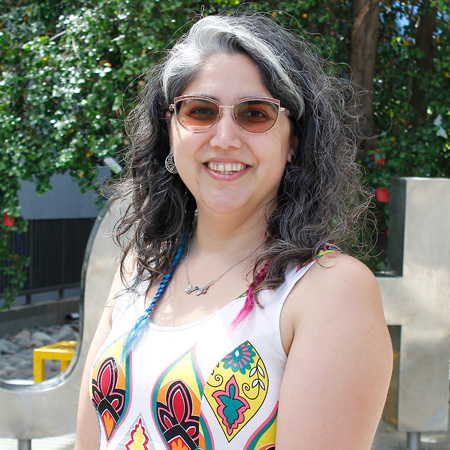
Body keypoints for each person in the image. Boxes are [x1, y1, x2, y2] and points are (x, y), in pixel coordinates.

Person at [75, 13, 393, 450]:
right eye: (200, 111)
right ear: (171, 131)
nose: (224, 137)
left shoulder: (329, 290)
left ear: (293, 140)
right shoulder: (139, 267)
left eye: (255, 114)